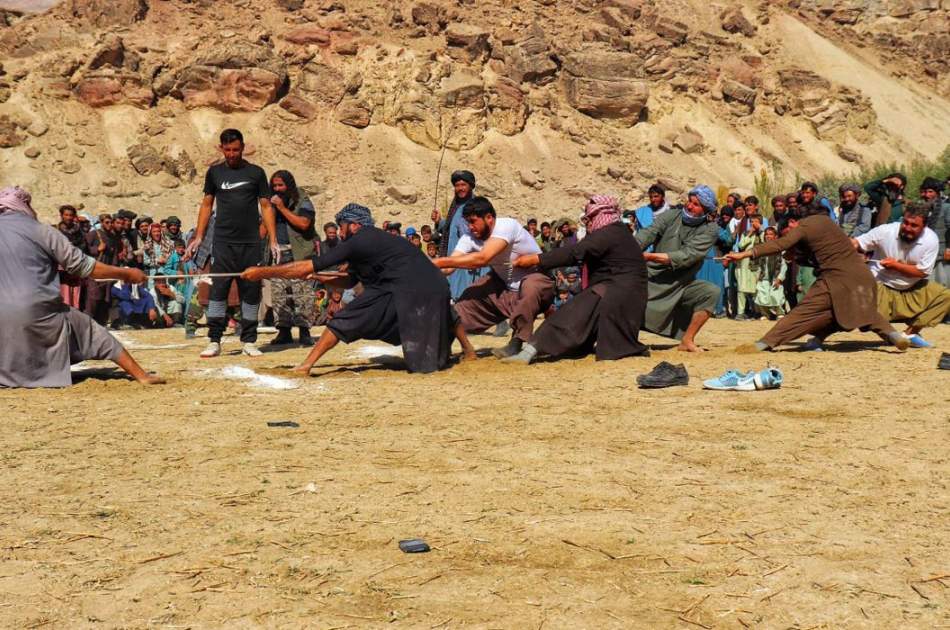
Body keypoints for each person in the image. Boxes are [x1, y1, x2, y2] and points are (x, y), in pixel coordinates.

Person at [242, 203, 461, 374]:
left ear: (354, 224)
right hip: (434, 288)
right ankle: (468, 352)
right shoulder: (375, 240)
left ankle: (306, 365)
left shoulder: (360, 240)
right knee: (444, 327)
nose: (340, 231)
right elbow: (350, 280)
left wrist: (261, 272)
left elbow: (305, 267)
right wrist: (320, 277)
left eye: (342, 225)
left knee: (343, 319)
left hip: (406, 290)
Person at [0, 187, 163, 387]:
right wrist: (126, 273)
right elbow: (85, 266)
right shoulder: (42, 231)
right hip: (39, 310)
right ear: (23, 205)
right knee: (94, 332)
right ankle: (142, 376)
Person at [724, 204, 909, 352]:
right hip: (862, 276)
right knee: (856, 313)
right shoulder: (827, 224)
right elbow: (817, 255)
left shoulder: (805, 225)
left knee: (803, 311)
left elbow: (781, 244)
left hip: (836, 279)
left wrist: (744, 254)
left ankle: (765, 342)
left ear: (793, 222)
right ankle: (894, 336)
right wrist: (796, 255)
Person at [503, 196, 649, 364]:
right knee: (582, 313)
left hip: (621, 290)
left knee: (573, 312)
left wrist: (537, 259)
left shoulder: (610, 233)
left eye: (591, 218)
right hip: (618, 288)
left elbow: (575, 252)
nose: (589, 222)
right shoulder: (615, 231)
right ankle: (538, 348)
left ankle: (531, 351)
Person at [184, 128, 278, 358]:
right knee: (219, 291)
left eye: (236, 149)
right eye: (227, 150)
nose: (232, 154)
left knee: (250, 291)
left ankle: (249, 340)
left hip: (251, 243)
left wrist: (273, 239)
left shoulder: (256, 173)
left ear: (243, 147)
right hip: (223, 242)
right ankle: (214, 340)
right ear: (221, 148)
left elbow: (266, 206)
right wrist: (199, 236)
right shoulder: (214, 173)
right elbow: (206, 205)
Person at [434, 196, 555, 358]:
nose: (470, 227)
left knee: (531, 285)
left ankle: (517, 342)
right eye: (467, 222)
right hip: (505, 289)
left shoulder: (507, 226)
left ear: (489, 218)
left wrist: (440, 261)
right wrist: (427, 267)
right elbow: (449, 267)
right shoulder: (468, 237)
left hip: (539, 285)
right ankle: (446, 343)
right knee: (466, 301)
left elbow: (482, 258)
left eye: (473, 221)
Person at [634, 185, 721, 352]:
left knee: (711, 292)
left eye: (696, 204)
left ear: (705, 210)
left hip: (681, 283)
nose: (689, 206)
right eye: (690, 201)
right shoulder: (671, 215)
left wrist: (649, 256)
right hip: (653, 276)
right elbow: (648, 233)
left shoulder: (710, 230)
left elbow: (687, 255)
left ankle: (687, 340)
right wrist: (632, 248)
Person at [853, 205, 950, 348]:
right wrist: (855, 254)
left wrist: (895, 265)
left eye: (914, 225)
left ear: (924, 227)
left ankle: (910, 333)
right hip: (881, 285)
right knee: (867, 321)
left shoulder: (931, 240)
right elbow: (856, 243)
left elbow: (921, 272)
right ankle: (891, 335)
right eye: (905, 223)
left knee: (945, 296)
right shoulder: (886, 231)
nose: (908, 228)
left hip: (911, 287)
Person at [268, 169, 318, 347]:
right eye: (274, 185)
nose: (277, 189)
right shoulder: (270, 202)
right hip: (279, 253)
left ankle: (304, 331)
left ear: (289, 185)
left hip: (299, 254)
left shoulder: (302, 200)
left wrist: (281, 208)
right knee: (279, 294)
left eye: (281, 185)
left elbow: (304, 224)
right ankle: (283, 331)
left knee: (302, 293)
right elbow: (263, 228)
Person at [433, 170, 488, 299]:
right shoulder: (457, 206)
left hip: (466, 265)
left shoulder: (473, 206)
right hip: (456, 262)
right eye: (457, 185)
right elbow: (453, 228)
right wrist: (439, 222)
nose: (460, 188)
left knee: (464, 299)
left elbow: (473, 236)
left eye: (463, 185)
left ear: (470, 186)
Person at [920, 177, 950, 290]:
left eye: (930, 191)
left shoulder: (947, 208)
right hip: (927, 252)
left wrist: (949, 248)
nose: (926, 195)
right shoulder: (924, 209)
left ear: (937, 193)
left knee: (943, 283)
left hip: (943, 253)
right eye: (925, 191)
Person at [753, 227, 788, 319]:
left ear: (775, 236)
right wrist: (757, 276)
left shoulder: (780, 248)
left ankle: (780, 313)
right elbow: (759, 265)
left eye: (770, 234)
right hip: (764, 276)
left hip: (775, 277)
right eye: (766, 234)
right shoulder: (761, 248)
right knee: (762, 295)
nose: (768, 236)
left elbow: (783, 265)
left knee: (776, 295)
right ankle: (765, 314)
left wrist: (780, 278)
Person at [735, 213, 764, 319]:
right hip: (744, 264)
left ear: (760, 223)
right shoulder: (746, 233)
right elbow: (741, 245)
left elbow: (765, 243)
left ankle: (756, 311)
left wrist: (759, 231)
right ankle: (740, 312)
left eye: (755, 222)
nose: (753, 224)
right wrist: (749, 234)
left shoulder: (763, 233)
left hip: (757, 265)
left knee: (756, 289)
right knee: (742, 289)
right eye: (751, 222)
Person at [56, 205, 85, 308]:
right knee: (64, 294)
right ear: (61, 216)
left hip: (76, 265)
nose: (68, 217)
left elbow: (83, 246)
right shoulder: (56, 231)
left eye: (71, 215)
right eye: (66, 215)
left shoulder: (79, 231)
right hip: (61, 268)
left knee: (76, 294)